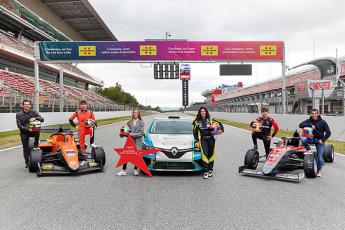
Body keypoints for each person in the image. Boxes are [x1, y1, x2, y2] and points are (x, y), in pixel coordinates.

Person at [193, 107, 224, 179]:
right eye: (201, 111)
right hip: (203, 140)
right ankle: (206, 171)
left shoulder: (210, 119)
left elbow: (220, 124)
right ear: (199, 113)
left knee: (211, 154)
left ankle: (210, 170)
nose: (203, 112)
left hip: (211, 139)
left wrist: (221, 130)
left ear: (206, 112)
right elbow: (194, 133)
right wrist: (197, 140)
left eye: (204, 111)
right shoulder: (196, 121)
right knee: (205, 154)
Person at [299, 108, 331, 177]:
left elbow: (329, 132)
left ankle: (318, 171)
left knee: (320, 158)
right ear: (310, 114)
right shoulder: (308, 120)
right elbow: (300, 125)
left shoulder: (323, 122)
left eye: (315, 113)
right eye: (312, 113)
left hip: (319, 141)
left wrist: (323, 140)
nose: (314, 115)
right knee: (303, 139)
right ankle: (309, 150)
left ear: (318, 114)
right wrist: (310, 125)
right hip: (311, 139)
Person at [16, 99, 44, 168]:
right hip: (24, 132)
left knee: (37, 130)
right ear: (23, 105)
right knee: (25, 148)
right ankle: (27, 163)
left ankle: (36, 144)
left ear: (30, 105)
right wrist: (28, 129)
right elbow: (19, 126)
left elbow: (42, 119)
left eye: (28, 104)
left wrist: (35, 118)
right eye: (25, 104)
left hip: (33, 131)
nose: (27, 106)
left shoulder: (34, 112)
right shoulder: (18, 114)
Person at [117, 108, 145, 176]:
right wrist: (122, 134)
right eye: (134, 112)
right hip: (130, 141)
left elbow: (140, 134)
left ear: (138, 114)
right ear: (133, 114)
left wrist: (130, 134)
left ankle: (135, 170)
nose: (135, 114)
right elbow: (126, 132)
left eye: (137, 113)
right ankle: (123, 171)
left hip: (138, 141)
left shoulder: (142, 123)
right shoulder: (129, 122)